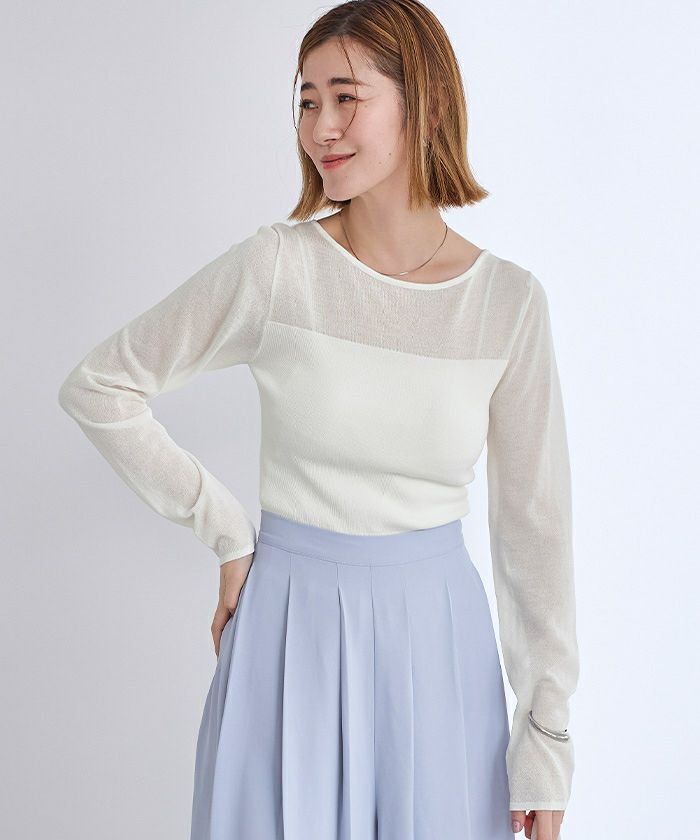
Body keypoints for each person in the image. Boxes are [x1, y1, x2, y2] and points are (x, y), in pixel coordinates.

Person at [58, 1, 579, 838]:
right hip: (285, 630)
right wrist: (226, 530)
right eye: (306, 100)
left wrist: (545, 736)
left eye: (346, 97)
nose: (320, 127)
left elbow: (535, 527)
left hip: (436, 645)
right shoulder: (278, 269)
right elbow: (101, 386)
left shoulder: (507, 304)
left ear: (426, 105)